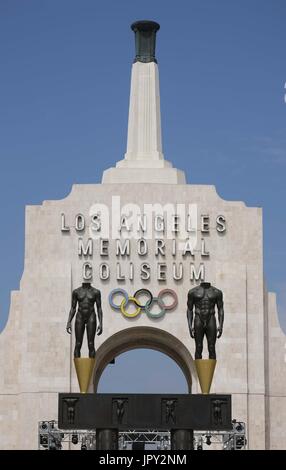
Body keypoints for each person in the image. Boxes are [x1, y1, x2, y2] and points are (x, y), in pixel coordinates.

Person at [187, 282, 224, 359]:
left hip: (210, 318)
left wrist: (221, 325)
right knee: (198, 347)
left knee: (211, 347)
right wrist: (190, 326)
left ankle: (212, 370)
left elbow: (220, 309)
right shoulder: (193, 292)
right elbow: (189, 309)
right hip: (198, 318)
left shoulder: (217, 292)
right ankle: (198, 371)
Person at [66, 282, 103, 358]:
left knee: (91, 344)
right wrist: (69, 322)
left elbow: (99, 308)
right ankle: (78, 368)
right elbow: (73, 308)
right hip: (80, 316)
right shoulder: (76, 292)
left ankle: (91, 368)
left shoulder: (96, 292)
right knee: (78, 344)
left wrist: (101, 323)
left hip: (91, 316)